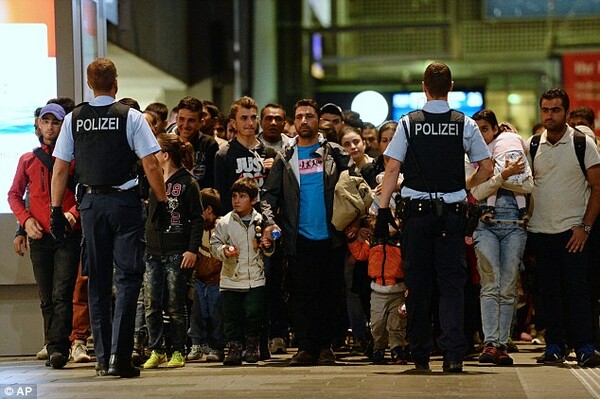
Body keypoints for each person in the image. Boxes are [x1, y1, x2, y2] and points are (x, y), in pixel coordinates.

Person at [50, 57, 170, 378]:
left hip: (90, 204)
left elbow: (61, 167)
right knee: (128, 278)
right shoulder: (130, 117)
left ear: (90, 84)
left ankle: (102, 359)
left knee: (98, 281)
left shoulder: (75, 118)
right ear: (115, 83)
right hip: (124, 203)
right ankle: (120, 356)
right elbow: (152, 164)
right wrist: (162, 202)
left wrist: (54, 208)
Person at [374, 61, 493, 373]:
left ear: (424, 87)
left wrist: (382, 210)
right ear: (450, 87)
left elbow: (392, 168)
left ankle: (420, 354)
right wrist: (463, 187)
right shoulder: (464, 123)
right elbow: (488, 168)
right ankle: (453, 354)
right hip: (453, 215)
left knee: (418, 284)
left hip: (417, 216)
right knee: (452, 285)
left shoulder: (409, 123)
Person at [261, 98, 349, 366]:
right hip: (298, 238)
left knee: (330, 294)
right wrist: (269, 222)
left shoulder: (334, 153)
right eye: (299, 117)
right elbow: (269, 196)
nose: (304, 121)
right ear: (293, 121)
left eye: (309, 116)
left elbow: (355, 188)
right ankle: (306, 347)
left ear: (318, 120)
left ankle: (325, 347)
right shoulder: (285, 156)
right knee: (301, 295)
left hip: (332, 235)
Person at [527, 88, 600, 367]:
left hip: (573, 233)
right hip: (541, 232)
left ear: (566, 113)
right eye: (545, 110)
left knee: (578, 292)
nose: (549, 115)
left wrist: (585, 227)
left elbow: (597, 188)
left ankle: (584, 346)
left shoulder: (583, 143)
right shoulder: (532, 144)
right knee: (548, 294)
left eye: (555, 110)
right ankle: (554, 346)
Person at [8, 103, 81, 369]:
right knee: (46, 296)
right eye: (46, 121)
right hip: (39, 235)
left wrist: (73, 213)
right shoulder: (28, 159)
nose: (50, 127)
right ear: (38, 124)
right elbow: (14, 194)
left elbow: (85, 191)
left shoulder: (75, 159)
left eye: (56, 122)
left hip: (67, 234)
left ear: (64, 126)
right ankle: (52, 346)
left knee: (62, 293)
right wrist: (25, 221)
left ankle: (59, 346)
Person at [469, 109, 533, 366]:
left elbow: (528, 185)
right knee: (490, 284)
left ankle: (502, 344)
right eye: (477, 129)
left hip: (515, 226)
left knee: (508, 288)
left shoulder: (509, 146)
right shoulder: (471, 156)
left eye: (486, 128)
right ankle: (489, 342)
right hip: (485, 227)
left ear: (495, 129)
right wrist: (504, 176)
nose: (482, 133)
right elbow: (475, 191)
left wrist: (496, 178)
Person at [142, 133, 203, 369]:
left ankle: (179, 350)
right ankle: (157, 349)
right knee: (151, 303)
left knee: (175, 304)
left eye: (156, 151)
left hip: (178, 250)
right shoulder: (153, 179)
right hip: (153, 251)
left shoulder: (188, 183)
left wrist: (192, 250)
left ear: (165, 155)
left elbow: (197, 219)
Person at [210, 177, 274, 365]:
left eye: (242, 196)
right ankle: (234, 347)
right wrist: (225, 251)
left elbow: (270, 248)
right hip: (231, 278)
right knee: (231, 316)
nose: (236, 200)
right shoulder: (225, 222)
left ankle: (252, 344)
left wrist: (267, 246)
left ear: (253, 200)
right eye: (234, 196)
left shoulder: (261, 221)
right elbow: (215, 244)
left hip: (254, 277)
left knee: (253, 313)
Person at [214, 96, 276, 214]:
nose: (250, 123)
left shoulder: (270, 153)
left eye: (253, 117)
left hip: (265, 219)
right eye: (244, 118)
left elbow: (276, 192)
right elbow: (222, 195)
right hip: (235, 221)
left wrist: (276, 170)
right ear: (233, 123)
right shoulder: (223, 155)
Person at [187, 188, 225, 362]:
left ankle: (217, 346)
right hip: (199, 279)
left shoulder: (222, 226)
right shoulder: (196, 227)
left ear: (208, 209)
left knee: (216, 313)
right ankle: (197, 343)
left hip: (217, 280)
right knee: (197, 313)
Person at [474, 113, 532, 222]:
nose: (480, 135)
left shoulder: (492, 144)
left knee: (493, 182)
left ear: (496, 130)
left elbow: (489, 164)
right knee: (518, 189)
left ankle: (490, 208)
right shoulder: (517, 137)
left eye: (484, 129)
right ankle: (523, 210)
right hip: (519, 169)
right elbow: (525, 149)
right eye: (477, 131)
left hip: (502, 172)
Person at [174, 96, 219, 189]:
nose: (185, 125)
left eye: (191, 120)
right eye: (181, 119)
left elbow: (212, 181)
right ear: (176, 119)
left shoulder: (209, 144)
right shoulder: (167, 143)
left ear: (200, 122)